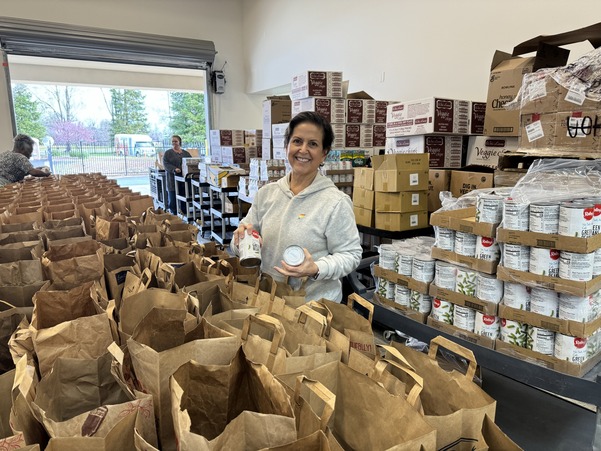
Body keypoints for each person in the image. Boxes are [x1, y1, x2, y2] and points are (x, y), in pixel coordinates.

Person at [234, 111, 362, 302]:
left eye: (313, 144)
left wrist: (317, 268)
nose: (303, 150)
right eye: (297, 141)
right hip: (269, 299)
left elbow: (351, 255)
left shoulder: (335, 202)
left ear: (324, 153)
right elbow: (242, 239)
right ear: (287, 146)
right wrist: (240, 241)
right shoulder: (266, 194)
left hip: (313, 307)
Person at [162, 135, 191, 214]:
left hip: (184, 180)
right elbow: (165, 164)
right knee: (172, 199)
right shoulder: (168, 153)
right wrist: (174, 169)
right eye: (172, 141)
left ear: (179, 142)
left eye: (176, 141)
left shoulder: (186, 153)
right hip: (172, 179)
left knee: (184, 198)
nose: (174, 143)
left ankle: (185, 214)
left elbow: (190, 162)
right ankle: (173, 214)